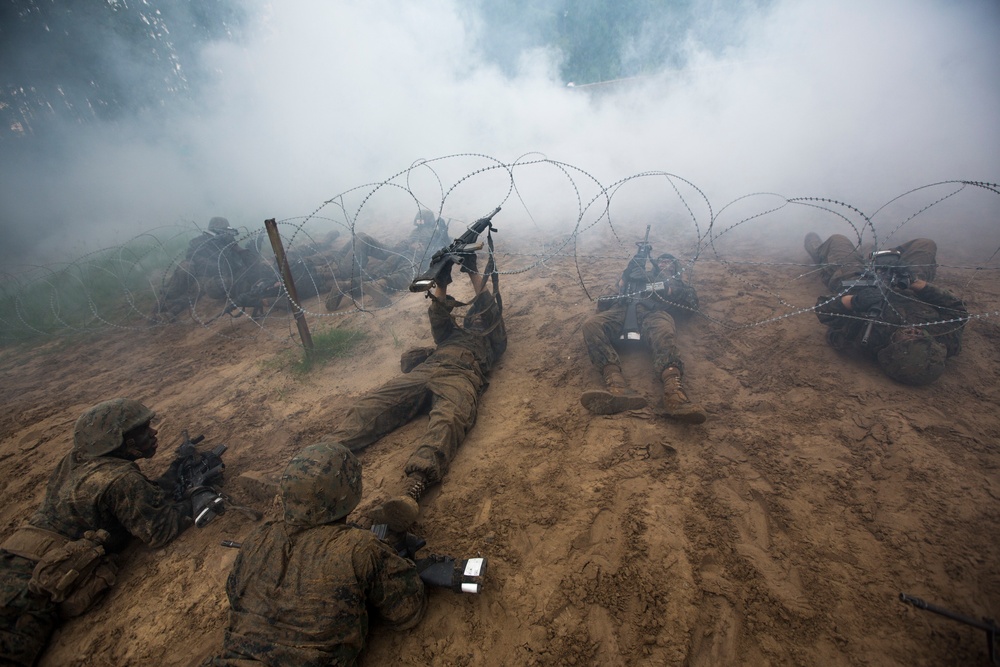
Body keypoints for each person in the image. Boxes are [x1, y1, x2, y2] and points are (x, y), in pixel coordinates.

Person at [0, 398, 195, 666]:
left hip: (12, 556)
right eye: (141, 430)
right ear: (120, 441)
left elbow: (122, 504)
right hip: (32, 585)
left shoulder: (75, 460)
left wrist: (173, 475)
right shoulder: (121, 479)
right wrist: (196, 498)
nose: (153, 433)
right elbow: (160, 531)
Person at [325, 248, 506, 528]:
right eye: (474, 315)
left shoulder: (494, 340)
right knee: (370, 406)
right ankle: (318, 455)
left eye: (483, 316)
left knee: (449, 420)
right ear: (466, 318)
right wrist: (442, 282)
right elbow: (439, 317)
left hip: (462, 376)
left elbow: (487, 304)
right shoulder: (451, 334)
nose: (479, 317)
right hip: (427, 370)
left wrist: (472, 271)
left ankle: (412, 489)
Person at [206, 442, 426, 666]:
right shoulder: (360, 548)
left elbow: (236, 596)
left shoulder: (256, 539)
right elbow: (406, 613)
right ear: (350, 492)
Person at [805, 232, 968, 385]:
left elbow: (825, 310)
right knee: (925, 245)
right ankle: (879, 255)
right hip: (906, 285)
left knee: (837, 240)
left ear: (893, 350)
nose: (914, 332)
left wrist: (854, 301)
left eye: (909, 340)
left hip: (860, 283)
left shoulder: (869, 337)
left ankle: (822, 251)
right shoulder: (943, 339)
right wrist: (918, 284)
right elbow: (957, 310)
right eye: (921, 338)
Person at [580, 247, 708, 424]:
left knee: (664, 332)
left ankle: (674, 395)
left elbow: (691, 304)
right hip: (622, 311)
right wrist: (624, 280)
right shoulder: (636, 277)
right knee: (591, 325)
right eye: (660, 260)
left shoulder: (677, 283)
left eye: (668, 261)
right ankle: (616, 387)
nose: (663, 263)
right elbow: (604, 302)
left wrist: (666, 288)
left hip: (653, 314)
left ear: (675, 268)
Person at [151, 217, 268, 322]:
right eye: (223, 231)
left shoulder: (227, 245)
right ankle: (162, 303)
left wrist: (235, 247)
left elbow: (242, 264)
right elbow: (195, 258)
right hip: (196, 274)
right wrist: (218, 265)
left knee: (194, 294)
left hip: (210, 280)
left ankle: (171, 312)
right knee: (186, 268)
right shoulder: (200, 242)